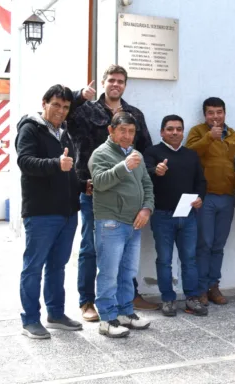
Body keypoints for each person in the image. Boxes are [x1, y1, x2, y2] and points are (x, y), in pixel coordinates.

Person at [67, 64, 156, 320]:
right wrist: (79, 96)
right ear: (103, 83)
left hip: (128, 197)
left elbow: (145, 149)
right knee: (90, 248)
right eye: (111, 80)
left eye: (120, 81)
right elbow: (64, 118)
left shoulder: (134, 114)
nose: (116, 84)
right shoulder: (86, 110)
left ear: (125, 85)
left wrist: (150, 171)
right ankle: (87, 302)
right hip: (94, 190)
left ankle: (127, 300)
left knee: (127, 252)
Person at [15, 84, 93, 339]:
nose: (61, 110)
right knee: (33, 267)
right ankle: (30, 320)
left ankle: (56, 314)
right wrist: (54, 163)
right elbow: (25, 162)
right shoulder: (30, 128)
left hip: (68, 212)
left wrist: (83, 186)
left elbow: (67, 171)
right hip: (41, 212)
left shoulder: (63, 132)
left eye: (66, 107)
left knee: (57, 266)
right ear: (44, 102)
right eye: (56, 104)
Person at [89, 111, 154, 338]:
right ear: (111, 130)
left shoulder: (136, 154)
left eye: (131, 131)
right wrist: (124, 166)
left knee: (128, 272)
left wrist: (147, 208)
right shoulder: (101, 154)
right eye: (122, 131)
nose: (127, 136)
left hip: (134, 223)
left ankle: (126, 313)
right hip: (111, 223)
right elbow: (99, 182)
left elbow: (147, 184)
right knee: (108, 273)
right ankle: (107, 319)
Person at [144, 115, 208, 317]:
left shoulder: (191, 155)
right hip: (162, 216)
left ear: (183, 132)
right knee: (164, 260)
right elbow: (143, 176)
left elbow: (201, 182)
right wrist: (156, 171)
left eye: (179, 129)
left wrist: (200, 198)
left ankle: (192, 298)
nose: (174, 132)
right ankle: (168, 299)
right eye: (170, 129)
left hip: (188, 216)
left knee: (189, 259)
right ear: (162, 132)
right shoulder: (152, 152)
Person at [185, 97, 235, 306]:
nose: (215, 117)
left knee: (218, 246)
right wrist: (209, 138)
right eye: (211, 113)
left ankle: (214, 287)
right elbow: (188, 155)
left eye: (219, 112)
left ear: (225, 113)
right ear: (205, 115)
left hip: (228, 197)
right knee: (204, 245)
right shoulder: (197, 132)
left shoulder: (234, 135)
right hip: (205, 198)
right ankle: (201, 289)